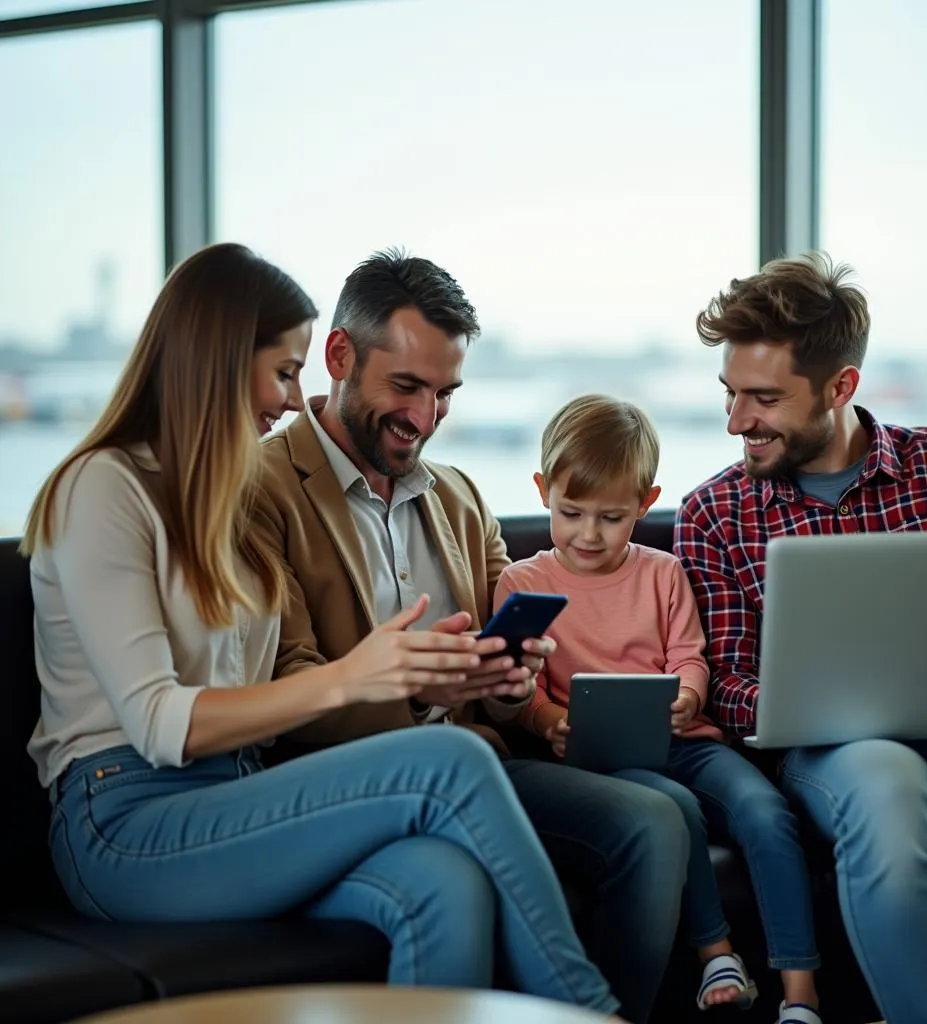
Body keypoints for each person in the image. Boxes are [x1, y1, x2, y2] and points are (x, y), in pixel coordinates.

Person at [20, 242, 621, 1019]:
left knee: (441, 881)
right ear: (214, 361)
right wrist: (357, 676)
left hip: (236, 790)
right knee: (451, 759)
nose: (294, 397)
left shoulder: (220, 496)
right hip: (123, 819)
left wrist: (445, 676)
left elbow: (259, 685)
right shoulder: (103, 486)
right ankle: (596, 1012)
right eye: (282, 371)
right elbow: (158, 722)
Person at [255, 248, 691, 1024]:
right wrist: (424, 690)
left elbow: (504, 661)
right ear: (340, 356)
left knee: (653, 823)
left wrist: (514, 679)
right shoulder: (264, 488)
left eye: (445, 393)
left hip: (481, 762)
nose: (425, 418)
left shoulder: (454, 494)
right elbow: (286, 686)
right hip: (345, 783)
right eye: (407, 387)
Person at [676, 250, 927, 1024]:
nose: (737, 423)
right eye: (730, 396)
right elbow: (727, 684)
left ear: (840, 388)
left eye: (763, 399)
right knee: (887, 792)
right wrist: (810, 700)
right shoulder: (715, 514)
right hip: (846, 764)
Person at [496, 393, 825, 1023]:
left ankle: (801, 996)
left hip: (689, 740)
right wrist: (546, 722)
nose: (589, 534)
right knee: (673, 811)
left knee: (765, 810)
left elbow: (690, 655)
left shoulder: (663, 572)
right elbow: (522, 684)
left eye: (612, 518)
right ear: (542, 492)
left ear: (646, 505)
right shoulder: (522, 582)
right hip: (604, 759)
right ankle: (715, 952)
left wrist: (689, 694)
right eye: (571, 512)